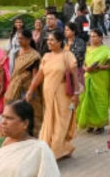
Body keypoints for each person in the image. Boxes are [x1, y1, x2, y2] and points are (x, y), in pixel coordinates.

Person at [25, 30, 80, 159]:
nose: (49, 42)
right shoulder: (46, 56)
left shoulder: (68, 56)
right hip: (48, 95)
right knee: (50, 121)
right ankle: (61, 148)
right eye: (48, 40)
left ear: (60, 42)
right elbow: (39, 76)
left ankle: (55, 152)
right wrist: (30, 90)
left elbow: (75, 76)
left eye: (52, 40)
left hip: (63, 95)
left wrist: (76, 94)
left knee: (61, 123)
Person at [0, 100, 60, 177]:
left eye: (9, 118)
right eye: (3, 117)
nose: (3, 122)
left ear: (25, 123)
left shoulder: (40, 149)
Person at [77, 29, 110, 133]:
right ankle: (90, 123)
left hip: (101, 79)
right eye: (91, 36)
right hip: (88, 77)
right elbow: (84, 63)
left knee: (100, 101)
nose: (92, 38)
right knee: (88, 100)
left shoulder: (106, 50)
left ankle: (100, 125)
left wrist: (100, 67)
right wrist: (86, 68)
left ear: (101, 38)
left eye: (95, 36)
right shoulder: (88, 49)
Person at [4, 30, 43, 136]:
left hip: (28, 88)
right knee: (14, 112)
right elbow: (15, 70)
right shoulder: (18, 52)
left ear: (29, 40)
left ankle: (33, 136)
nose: (19, 41)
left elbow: (35, 76)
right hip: (15, 87)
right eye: (18, 39)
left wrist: (31, 91)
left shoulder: (34, 56)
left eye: (22, 38)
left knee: (31, 113)